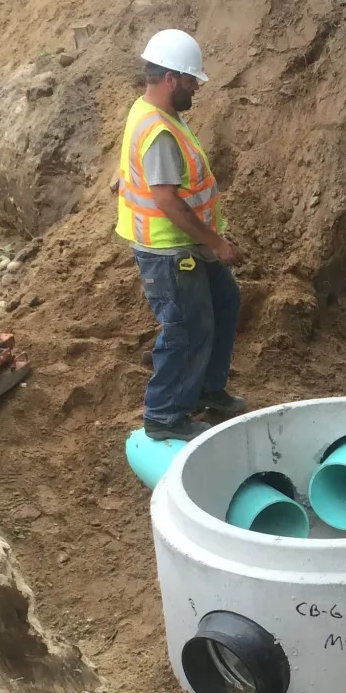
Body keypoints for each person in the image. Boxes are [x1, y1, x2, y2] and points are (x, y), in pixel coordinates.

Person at [117, 30, 245, 442]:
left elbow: (140, 170)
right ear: (171, 78)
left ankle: (209, 389)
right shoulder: (161, 132)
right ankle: (164, 415)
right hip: (170, 252)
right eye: (191, 81)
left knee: (225, 302)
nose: (195, 89)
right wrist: (216, 242)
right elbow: (169, 202)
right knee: (186, 329)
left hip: (183, 247)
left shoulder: (151, 112)